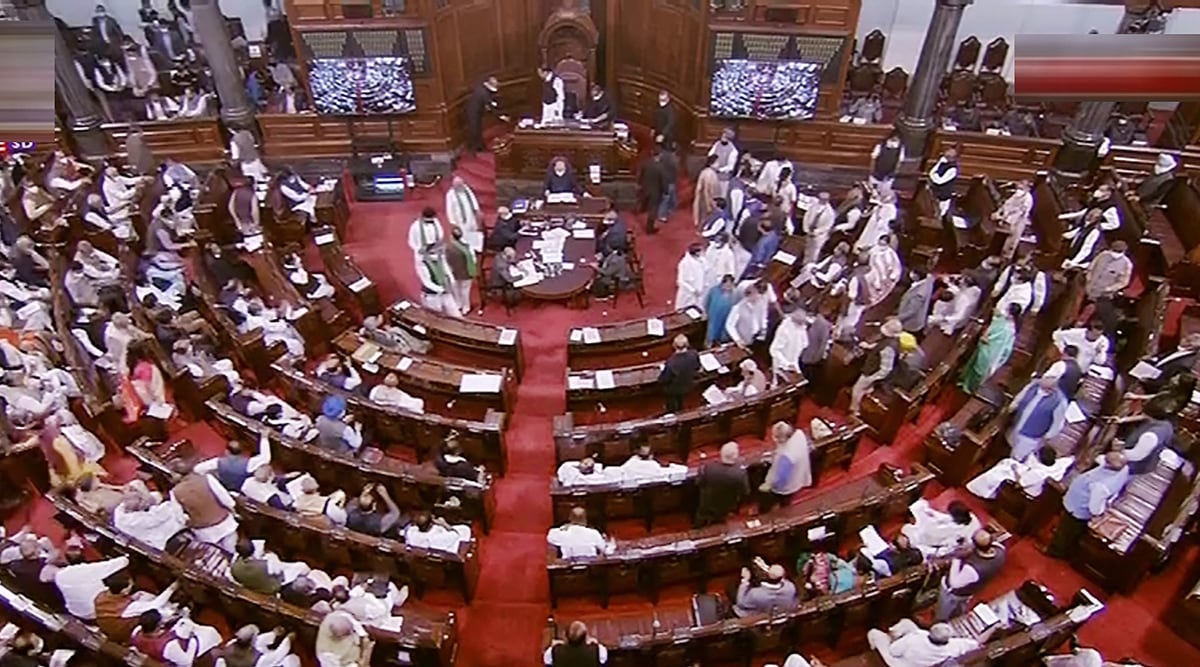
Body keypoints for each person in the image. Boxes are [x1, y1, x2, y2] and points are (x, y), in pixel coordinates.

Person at [1048, 452, 1132, 558]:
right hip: (1075, 503)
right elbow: (1100, 458)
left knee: (1066, 532)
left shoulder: (1101, 486)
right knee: (1068, 530)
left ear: (1108, 465)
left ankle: (1055, 551)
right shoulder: (1123, 469)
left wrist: (1101, 511)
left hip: (1078, 510)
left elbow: (1095, 509)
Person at [935, 530, 1006, 621]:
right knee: (960, 608)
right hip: (972, 590)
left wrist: (957, 559)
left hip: (953, 594)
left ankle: (940, 623)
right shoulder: (1000, 551)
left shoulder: (973, 568)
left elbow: (954, 583)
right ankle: (957, 617)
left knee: (944, 611)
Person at [170, 459, 239, 553]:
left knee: (217, 558)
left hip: (204, 532)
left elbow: (179, 518)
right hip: (225, 523)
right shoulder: (207, 479)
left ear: (176, 474)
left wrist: (190, 524)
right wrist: (233, 511)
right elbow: (226, 499)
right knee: (233, 552)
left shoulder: (175, 492)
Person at [94, 573, 179, 643]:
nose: (132, 585)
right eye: (130, 586)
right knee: (163, 613)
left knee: (141, 594)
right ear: (124, 591)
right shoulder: (127, 608)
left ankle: (171, 605)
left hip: (111, 625)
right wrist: (172, 588)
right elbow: (154, 605)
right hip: (125, 633)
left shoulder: (102, 595)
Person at [1006, 371, 1070, 460]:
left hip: (1031, 437)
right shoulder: (1033, 386)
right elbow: (1019, 399)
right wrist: (1012, 407)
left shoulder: (1059, 401)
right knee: (1007, 450)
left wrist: (1046, 438)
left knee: (1017, 459)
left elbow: (1057, 424)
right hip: (1016, 426)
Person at [967, 445, 1074, 499]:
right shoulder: (1060, 463)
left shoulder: (1038, 472)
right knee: (1006, 462)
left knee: (998, 474)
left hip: (1028, 491)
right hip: (1028, 475)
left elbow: (1020, 483)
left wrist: (1014, 469)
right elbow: (1072, 459)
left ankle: (984, 492)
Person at [959, 303, 1022, 394]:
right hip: (984, 345)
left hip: (992, 350)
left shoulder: (1009, 329)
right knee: (973, 363)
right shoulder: (1001, 320)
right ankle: (963, 381)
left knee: (980, 369)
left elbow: (1003, 344)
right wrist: (985, 335)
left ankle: (970, 388)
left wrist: (988, 340)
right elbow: (991, 327)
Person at [865, 620, 985, 667]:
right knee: (906, 623)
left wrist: (895, 641)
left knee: (874, 633)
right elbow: (976, 643)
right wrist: (994, 627)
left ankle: (873, 655)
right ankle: (894, 632)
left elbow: (894, 651)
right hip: (920, 661)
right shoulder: (954, 646)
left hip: (900, 663)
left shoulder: (915, 639)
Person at [850, 318, 903, 416]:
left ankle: (854, 411)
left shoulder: (889, 348)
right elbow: (880, 347)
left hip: (871, 372)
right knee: (865, 390)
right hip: (873, 371)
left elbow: (886, 369)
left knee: (857, 389)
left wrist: (871, 378)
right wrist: (869, 346)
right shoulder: (891, 341)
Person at [759, 422, 813, 511]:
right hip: (798, 476)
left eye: (776, 436)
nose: (774, 439)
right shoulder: (799, 434)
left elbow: (782, 477)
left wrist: (769, 485)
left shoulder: (787, 456)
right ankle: (785, 508)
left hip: (784, 486)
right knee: (787, 499)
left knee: (770, 500)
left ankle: (765, 512)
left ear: (782, 438)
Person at [694, 442, 749, 527]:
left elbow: (698, 483)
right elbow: (745, 492)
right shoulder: (740, 473)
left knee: (701, 518)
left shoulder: (708, 467)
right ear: (735, 456)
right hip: (727, 505)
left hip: (707, 503)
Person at [901, 499, 981, 557]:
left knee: (908, 533)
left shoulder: (963, 537)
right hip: (933, 526)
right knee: (919, 505)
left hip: (931, 540)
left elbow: (946, 550)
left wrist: (933, 551)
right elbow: (945, 518)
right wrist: (932, 513)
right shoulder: (967, 516)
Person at [1085, 240, 1132, 333]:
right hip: (1088, 288)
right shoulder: (1103, 255)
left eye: (1118, 251)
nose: (1115, 253)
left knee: (1103, 314)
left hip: (1103, 295)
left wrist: (1109, 289)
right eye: (1114, 250)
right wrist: (1089, 277)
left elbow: (1123, 282)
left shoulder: (1127, 264)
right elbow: (1091, 267)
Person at [1122, 401, 1175, 475]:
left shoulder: (1151, 436)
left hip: (1133, 467)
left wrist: (1119, 450)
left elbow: (1135, 456)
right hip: (1147, 462)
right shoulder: (1167, 424)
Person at [732, 563, 798, 617]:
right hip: (783, 615)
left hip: (760, 619)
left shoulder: (756, 594)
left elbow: (741, 603)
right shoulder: (790, 587)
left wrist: (745, 580)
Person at [547, 507, 613, 559]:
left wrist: (563, 527)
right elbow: (606, 550)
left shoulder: (560, 533)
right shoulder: (593, 533)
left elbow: (550, 537)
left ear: (570, 518)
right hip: (591, 568)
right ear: (585, 519)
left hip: (570, 568)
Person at [992, 180, 1034, 259]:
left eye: (1022, 184)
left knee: (1010, 244)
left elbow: (1020, 212)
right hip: (1006, 221)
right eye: (1020, 184)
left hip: (1016, 223)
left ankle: (1005, 259)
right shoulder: (1016, 195)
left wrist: (1005, 218)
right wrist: (999, 213)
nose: (1019, 186)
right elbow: (1006, 205)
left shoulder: (1027, 198)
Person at [659, 334, 700, 413]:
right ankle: (680, 407)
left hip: (674, 388)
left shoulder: (671, 362)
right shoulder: (694, 354)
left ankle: (671, 411)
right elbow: (697, 367)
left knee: (672, 401)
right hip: (689, 383)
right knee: (680, 398)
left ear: (674, 345)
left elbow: (664, 379)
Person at [465, 75, 505, 154]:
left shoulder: (483, 88)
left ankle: (479, 146)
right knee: (475, 130)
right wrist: (500, 116)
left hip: (477, 111)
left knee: (478, 129)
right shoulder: (483, 93)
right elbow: (491, 106)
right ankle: (473, 148)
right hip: (473, 112)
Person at [725, 282, 770, 348]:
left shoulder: (762, 303)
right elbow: (729, 325)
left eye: (761, 295)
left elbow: (764, 316)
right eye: (757, 294)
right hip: (742, 340)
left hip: (756, 338)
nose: (759, 297)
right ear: (753, 291)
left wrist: (764, 327)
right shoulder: (738, 308)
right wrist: (737, 340)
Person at [769, 308, 808, 384]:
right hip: (782, 364)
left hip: (794, 361)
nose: (803, 325)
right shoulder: (784, 330)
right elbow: (774, 350)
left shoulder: (802, 327)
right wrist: (786, 363)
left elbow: (805, 343)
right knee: (779, 384)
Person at [445, 226, 477, 316]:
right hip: (466, 272)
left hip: (453, 272)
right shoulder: (467, 246)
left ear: (451, 236)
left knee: (455, 289)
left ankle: (458, 304)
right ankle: (466, 307)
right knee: (465, 291)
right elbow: (473, 259)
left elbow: (445, 261)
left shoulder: (447, 247)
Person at [896, 267, 934, 335]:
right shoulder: (928, 280)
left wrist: (897, 318)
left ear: (918, 276)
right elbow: (931, 276)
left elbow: (911, 311)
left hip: (911, 321)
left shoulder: (919, 294)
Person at [801, 191, 835, 265]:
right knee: (807, 249)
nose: (821, 200)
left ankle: (808, 266)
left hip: (819, 235)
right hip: (809, 231)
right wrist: (806, 227)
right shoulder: (814, 206)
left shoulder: (830, 212)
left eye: (823, 199)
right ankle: (803, 264)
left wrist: (817, 232)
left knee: (814, 253)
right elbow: (807, 216)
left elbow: (828, 226)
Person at [703, 275, 737, 347]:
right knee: (711, 332)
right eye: (726, 285)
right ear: (722, 283)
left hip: (726, 317)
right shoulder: (714, 291)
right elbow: (707, 302)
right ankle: (708, 345)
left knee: (723, 333)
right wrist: (705, 312)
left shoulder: (734, 294)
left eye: (730, 285)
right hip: (714, 317)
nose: (728, 287)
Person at [707, 128, 739, 196]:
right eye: (722, 136)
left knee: (721, 195)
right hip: (713, 175)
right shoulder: (717, 144)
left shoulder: (733, 151)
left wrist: (719, 169)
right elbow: (710, 154)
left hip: (723, 178)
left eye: (725, 136)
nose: (722, 138)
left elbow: (730, 167)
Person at [674, 243, 706, 311]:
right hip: (688, 295)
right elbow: (680, 281)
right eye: (700, 251)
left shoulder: (702, 260)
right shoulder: (684, 264)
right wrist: (692, 290)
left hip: (699, 294)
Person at [928, 148, 959, 217]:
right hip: (935, 190)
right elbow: (931, 172)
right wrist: (934, 174)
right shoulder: (942, 162)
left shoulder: (953, 169)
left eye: (947, 157)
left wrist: (934, 176)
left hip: (944, 194)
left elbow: (939, 181)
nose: (944, 158)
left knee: (940, 213)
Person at [693, 154, 721, 229]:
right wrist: (709, 203)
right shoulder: (710, 174)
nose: (719, 164)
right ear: (712, 163)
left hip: (703, 199)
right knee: (706, 218)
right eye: (717, 162)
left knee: (702, 216)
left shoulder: (704, 172)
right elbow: (707, 190)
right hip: (708, 199)